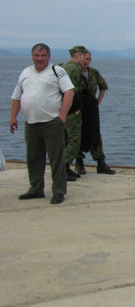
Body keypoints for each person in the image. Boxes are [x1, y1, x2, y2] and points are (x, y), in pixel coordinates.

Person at [9, 43, 74, 205]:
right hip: (31, 123)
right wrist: (13, 118)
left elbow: (69, 92)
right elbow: (17, 96)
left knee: (56, 159)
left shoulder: (57, 71)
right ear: (32, 56)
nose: (39, 59)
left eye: (43, 55)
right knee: (33, 158)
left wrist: (62, 117)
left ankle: (59, 191)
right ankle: (36, 188)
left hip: (52, 122)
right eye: (37, 56)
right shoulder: (25, 72)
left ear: (48, 56)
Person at [76, 49, 116, 174]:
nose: (86, 61)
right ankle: (79, 163)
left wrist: (98, 101)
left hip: (91, 107)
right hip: (77, 106)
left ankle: (101, 163)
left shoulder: (93, 72)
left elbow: (103, 86)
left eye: (88, 59)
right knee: (77, 133)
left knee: (95, 133)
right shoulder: (74, 72)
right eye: (84, 59)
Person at [61, 46, 88, 181]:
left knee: (67, 139)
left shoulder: (65, 67)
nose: (85, 59)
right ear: (78, 55)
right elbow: (71, 91)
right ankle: (63, 168)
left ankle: (65, 167)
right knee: (73, 140)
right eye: (84, 56)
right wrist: (74, 107)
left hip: (67, 109)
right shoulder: (72, 69)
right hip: (72, 111)